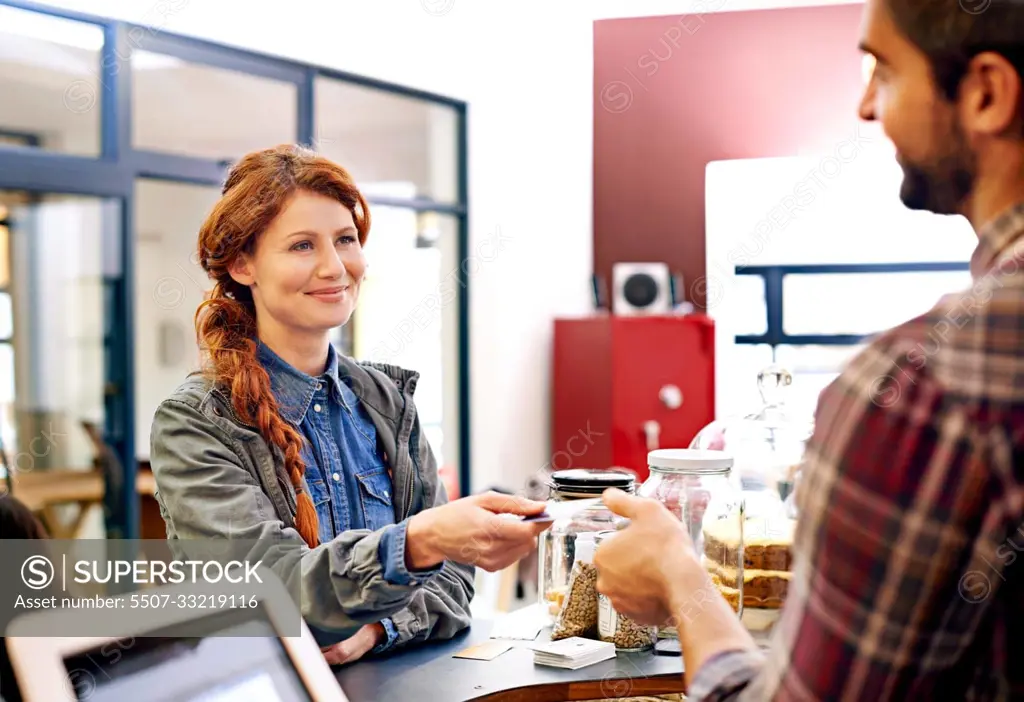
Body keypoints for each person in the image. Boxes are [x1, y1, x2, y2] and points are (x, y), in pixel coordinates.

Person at [594, 0, 1024, 699]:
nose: (863, 106)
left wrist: (682, 580)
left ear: (985, 93)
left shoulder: (923, 385)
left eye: (882, 71)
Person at [149, 144, 550, 666]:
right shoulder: (195, 424)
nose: (335, 267)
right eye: (301, 246)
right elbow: (270, 593)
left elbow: (452, 582)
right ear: (243, 264)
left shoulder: (386, 402)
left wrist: (378, 629)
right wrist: (418, 542)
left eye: (344, 240)